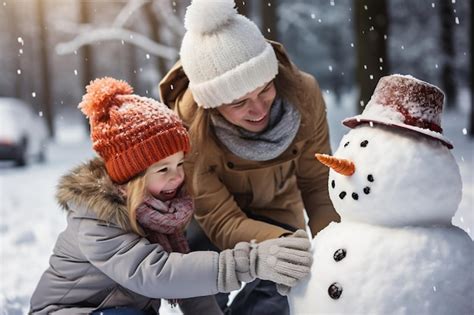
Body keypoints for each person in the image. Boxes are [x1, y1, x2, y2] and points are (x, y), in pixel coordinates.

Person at [28, 77, 313, 315]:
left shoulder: (161, 211)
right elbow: (159, 274)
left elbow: (187, 286)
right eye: (162, 169)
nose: (176, 177)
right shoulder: (96, 222)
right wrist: (249, 262)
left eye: (179, 164)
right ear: (129, 179)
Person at [159, 0, 341, 313]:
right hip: (205, 225)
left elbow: (317, 183)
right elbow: (221, 219)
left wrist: (331, 250)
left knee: (283, 288)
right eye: (238, 102)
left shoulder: (304, 94)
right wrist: (279, 246)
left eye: (265, 89)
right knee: (204, 289)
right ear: (212, 104)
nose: (258, 109)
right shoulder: (187, 124)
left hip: (278, 210)